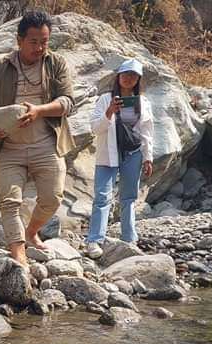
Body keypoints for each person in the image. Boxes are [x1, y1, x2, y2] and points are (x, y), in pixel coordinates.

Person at [0, 10, 75, 266]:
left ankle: (31, 231)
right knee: (9, 202)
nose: (40, 47)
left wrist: (40, 110)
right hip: (8, 147)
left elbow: (67, 102)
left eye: (45, 41)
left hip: (46, 145)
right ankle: (18, 253)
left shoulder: (57, 64)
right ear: (19, 40)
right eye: (34, 42)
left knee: (52, 198)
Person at [84, 58, 155, 259]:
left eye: (133, 76)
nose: (128, 79)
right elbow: (95, 128)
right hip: (108, 154)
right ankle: (94, 240)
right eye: (125, 74)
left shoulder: (143, 102)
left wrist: (148, 157)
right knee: (102, 196)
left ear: (138, 79)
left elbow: (147, 131)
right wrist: (109, 113)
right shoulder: (106, 99)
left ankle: (129, 238)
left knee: (129, 198)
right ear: (119, 76)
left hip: (133, 153)